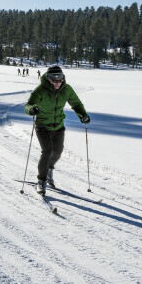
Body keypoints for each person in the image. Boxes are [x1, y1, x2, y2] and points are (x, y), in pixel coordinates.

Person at [24, 65, 90, 196]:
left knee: (58, 151)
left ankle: (49, 169)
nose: (58, 83)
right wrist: (32, 110)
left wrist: (83, 115)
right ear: (48, 79)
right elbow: (28, 105)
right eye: (55, 80)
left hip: (58, 126)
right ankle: (41, 181)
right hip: (42, 126)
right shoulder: (40, 90)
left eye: (60, 79)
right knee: (47, 151)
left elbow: (76, 103)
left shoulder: (67, 89)